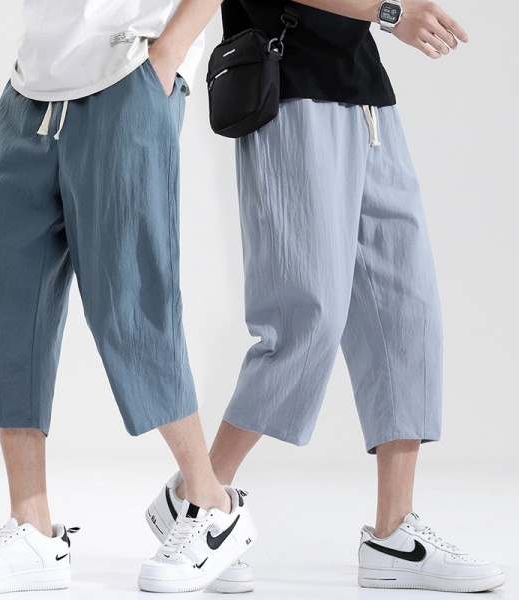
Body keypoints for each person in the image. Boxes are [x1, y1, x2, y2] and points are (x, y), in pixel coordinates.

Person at [146, 0, 506, 593]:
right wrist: (389, 12)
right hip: (290, 91)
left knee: (407, 311)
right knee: (305, 315)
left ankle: (394, 533)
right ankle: (200, 498)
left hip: (367, 100)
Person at [0, 1, 258, 597]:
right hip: (31, 89)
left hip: (127, 75)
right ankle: (32, 529)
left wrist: (168, 55)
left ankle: (211, 505)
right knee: (7, 309)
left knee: (131, 306)